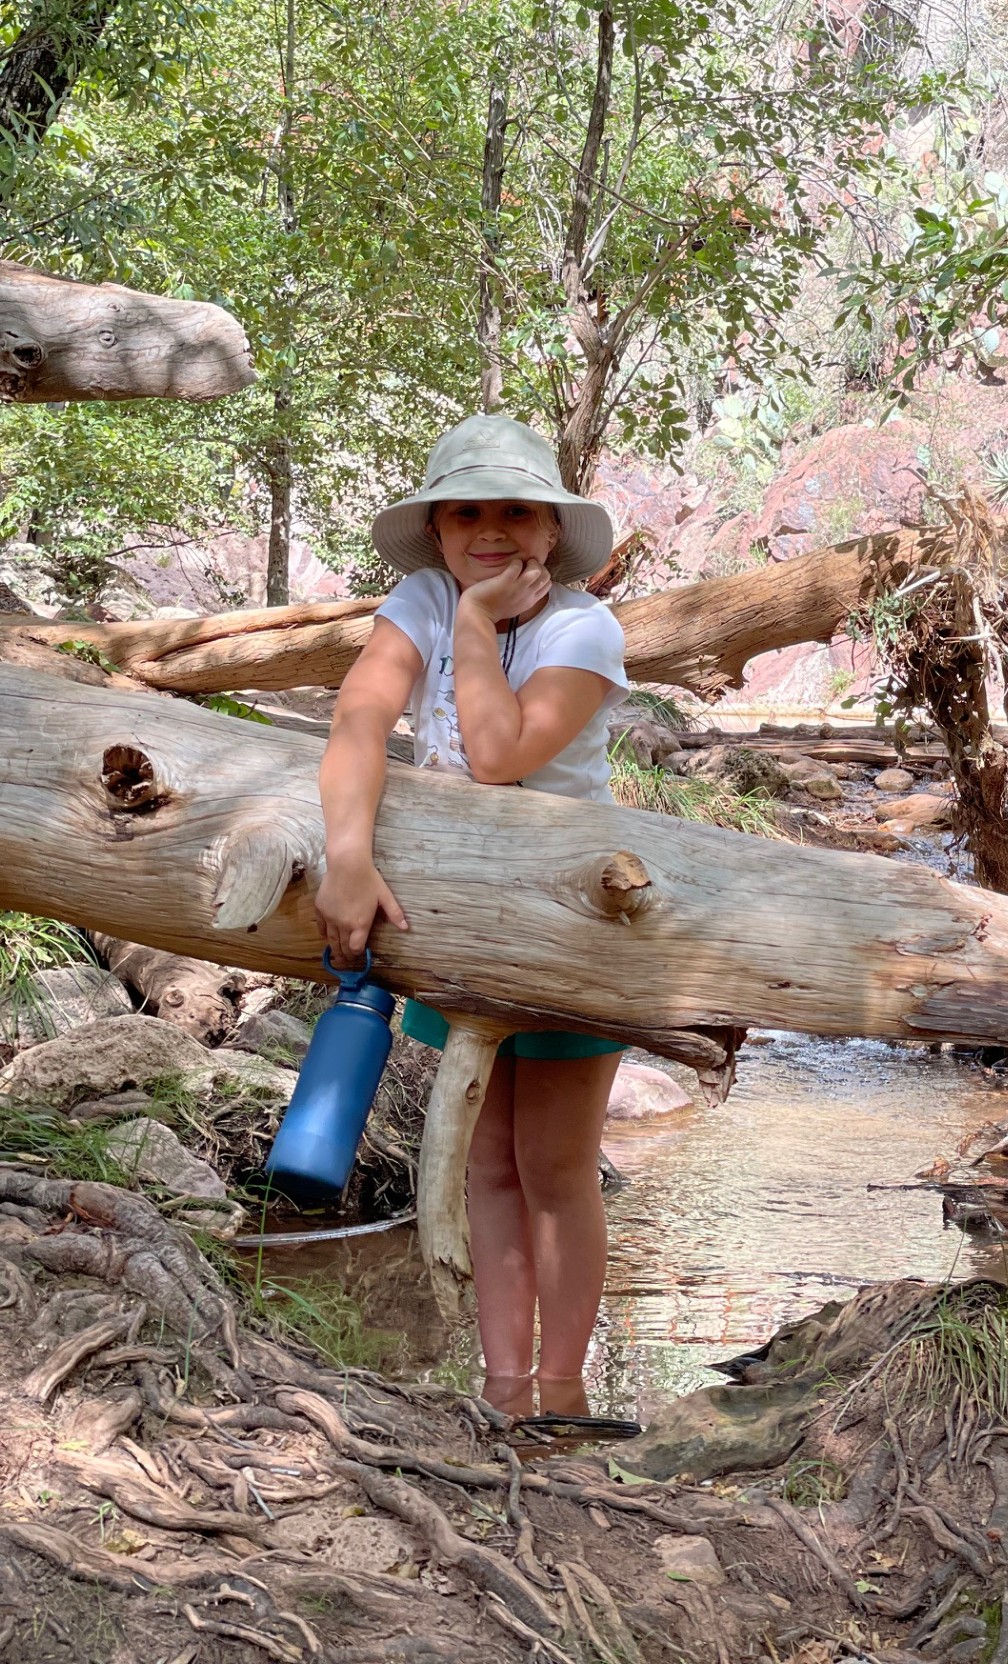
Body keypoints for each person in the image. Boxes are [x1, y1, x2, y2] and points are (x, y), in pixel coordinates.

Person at [313, 413, 628, 1417]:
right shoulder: (419, 598)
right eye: (466, 512)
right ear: (438, 528)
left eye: (513, 511)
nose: (488, 530)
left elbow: (500, 756)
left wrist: (479, 628)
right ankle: (503, 1392)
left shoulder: (583, 626)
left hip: (573, 913)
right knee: (485, 1160)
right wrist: (349, 859)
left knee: (555, 1164)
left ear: (548, 528)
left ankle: (564, 1394)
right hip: (456, 907)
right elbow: (362, 716)